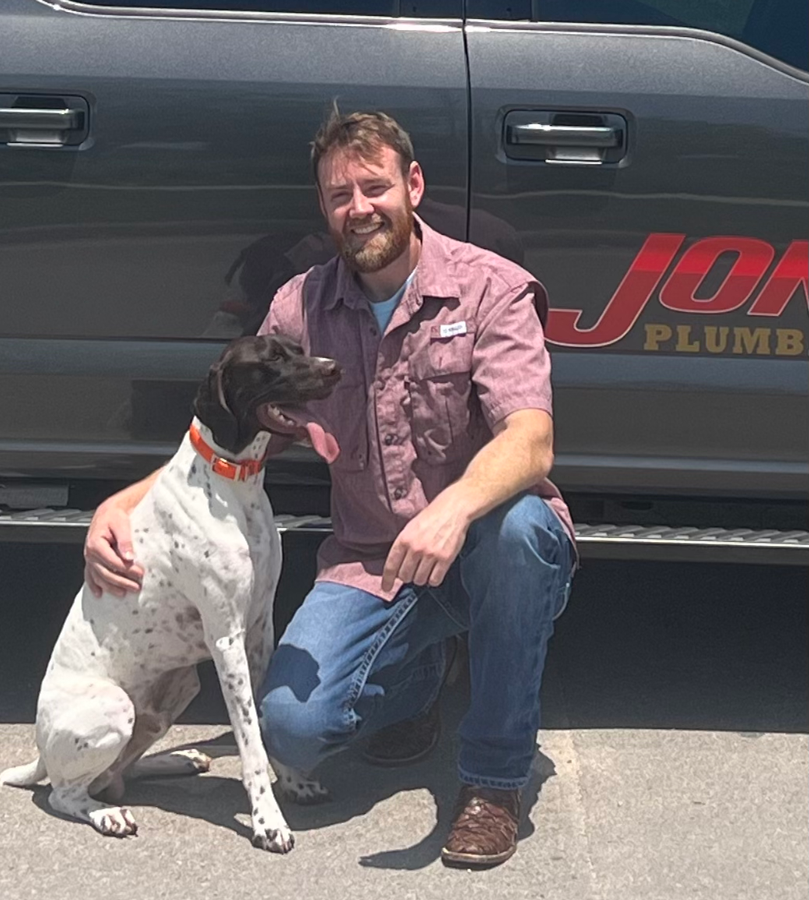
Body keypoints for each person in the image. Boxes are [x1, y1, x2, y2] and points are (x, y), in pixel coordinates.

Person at [84, 109, 576, 869]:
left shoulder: (489, 288)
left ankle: (494, 779)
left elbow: (531, 439)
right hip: (373, 562)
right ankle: (420, 678)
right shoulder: (299, 308)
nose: (359, 207)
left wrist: (452, 511)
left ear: (413, 185)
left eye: (375, 187)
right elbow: (230, 435)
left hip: (480, 543)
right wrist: (121, 505)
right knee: (292, 731)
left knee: (520, 533)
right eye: (340, 195)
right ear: (323, 206)